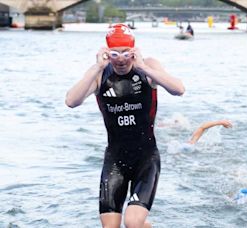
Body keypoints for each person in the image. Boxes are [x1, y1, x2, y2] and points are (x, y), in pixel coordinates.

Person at [65, 24, 185, 228]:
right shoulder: (99, 74)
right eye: (114, 54)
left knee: (132, 222)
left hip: (146, 159)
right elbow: (71, 101)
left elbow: (179, 89)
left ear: (134, 51)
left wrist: (144, 68)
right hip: (115, 160)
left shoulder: (148, 66)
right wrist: (97, 67)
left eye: (126, 53)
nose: (120, 60)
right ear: (106, 53)